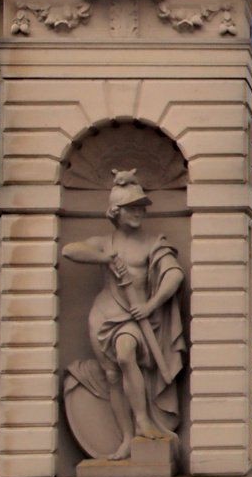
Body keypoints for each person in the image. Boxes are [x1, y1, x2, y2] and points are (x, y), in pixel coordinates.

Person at [61, 170, 186, 460]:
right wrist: (106, 259)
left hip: (134, 317)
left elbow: (174, 275)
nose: (139, 212)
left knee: (126, 354)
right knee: (112, 375)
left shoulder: (153, 242)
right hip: (103, 316)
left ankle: (143, 421)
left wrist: (151, 305)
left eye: (141, 207)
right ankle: (127, 438)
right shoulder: (105, 243)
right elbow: (70, 250)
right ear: (116, 212)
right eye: (132, 207)